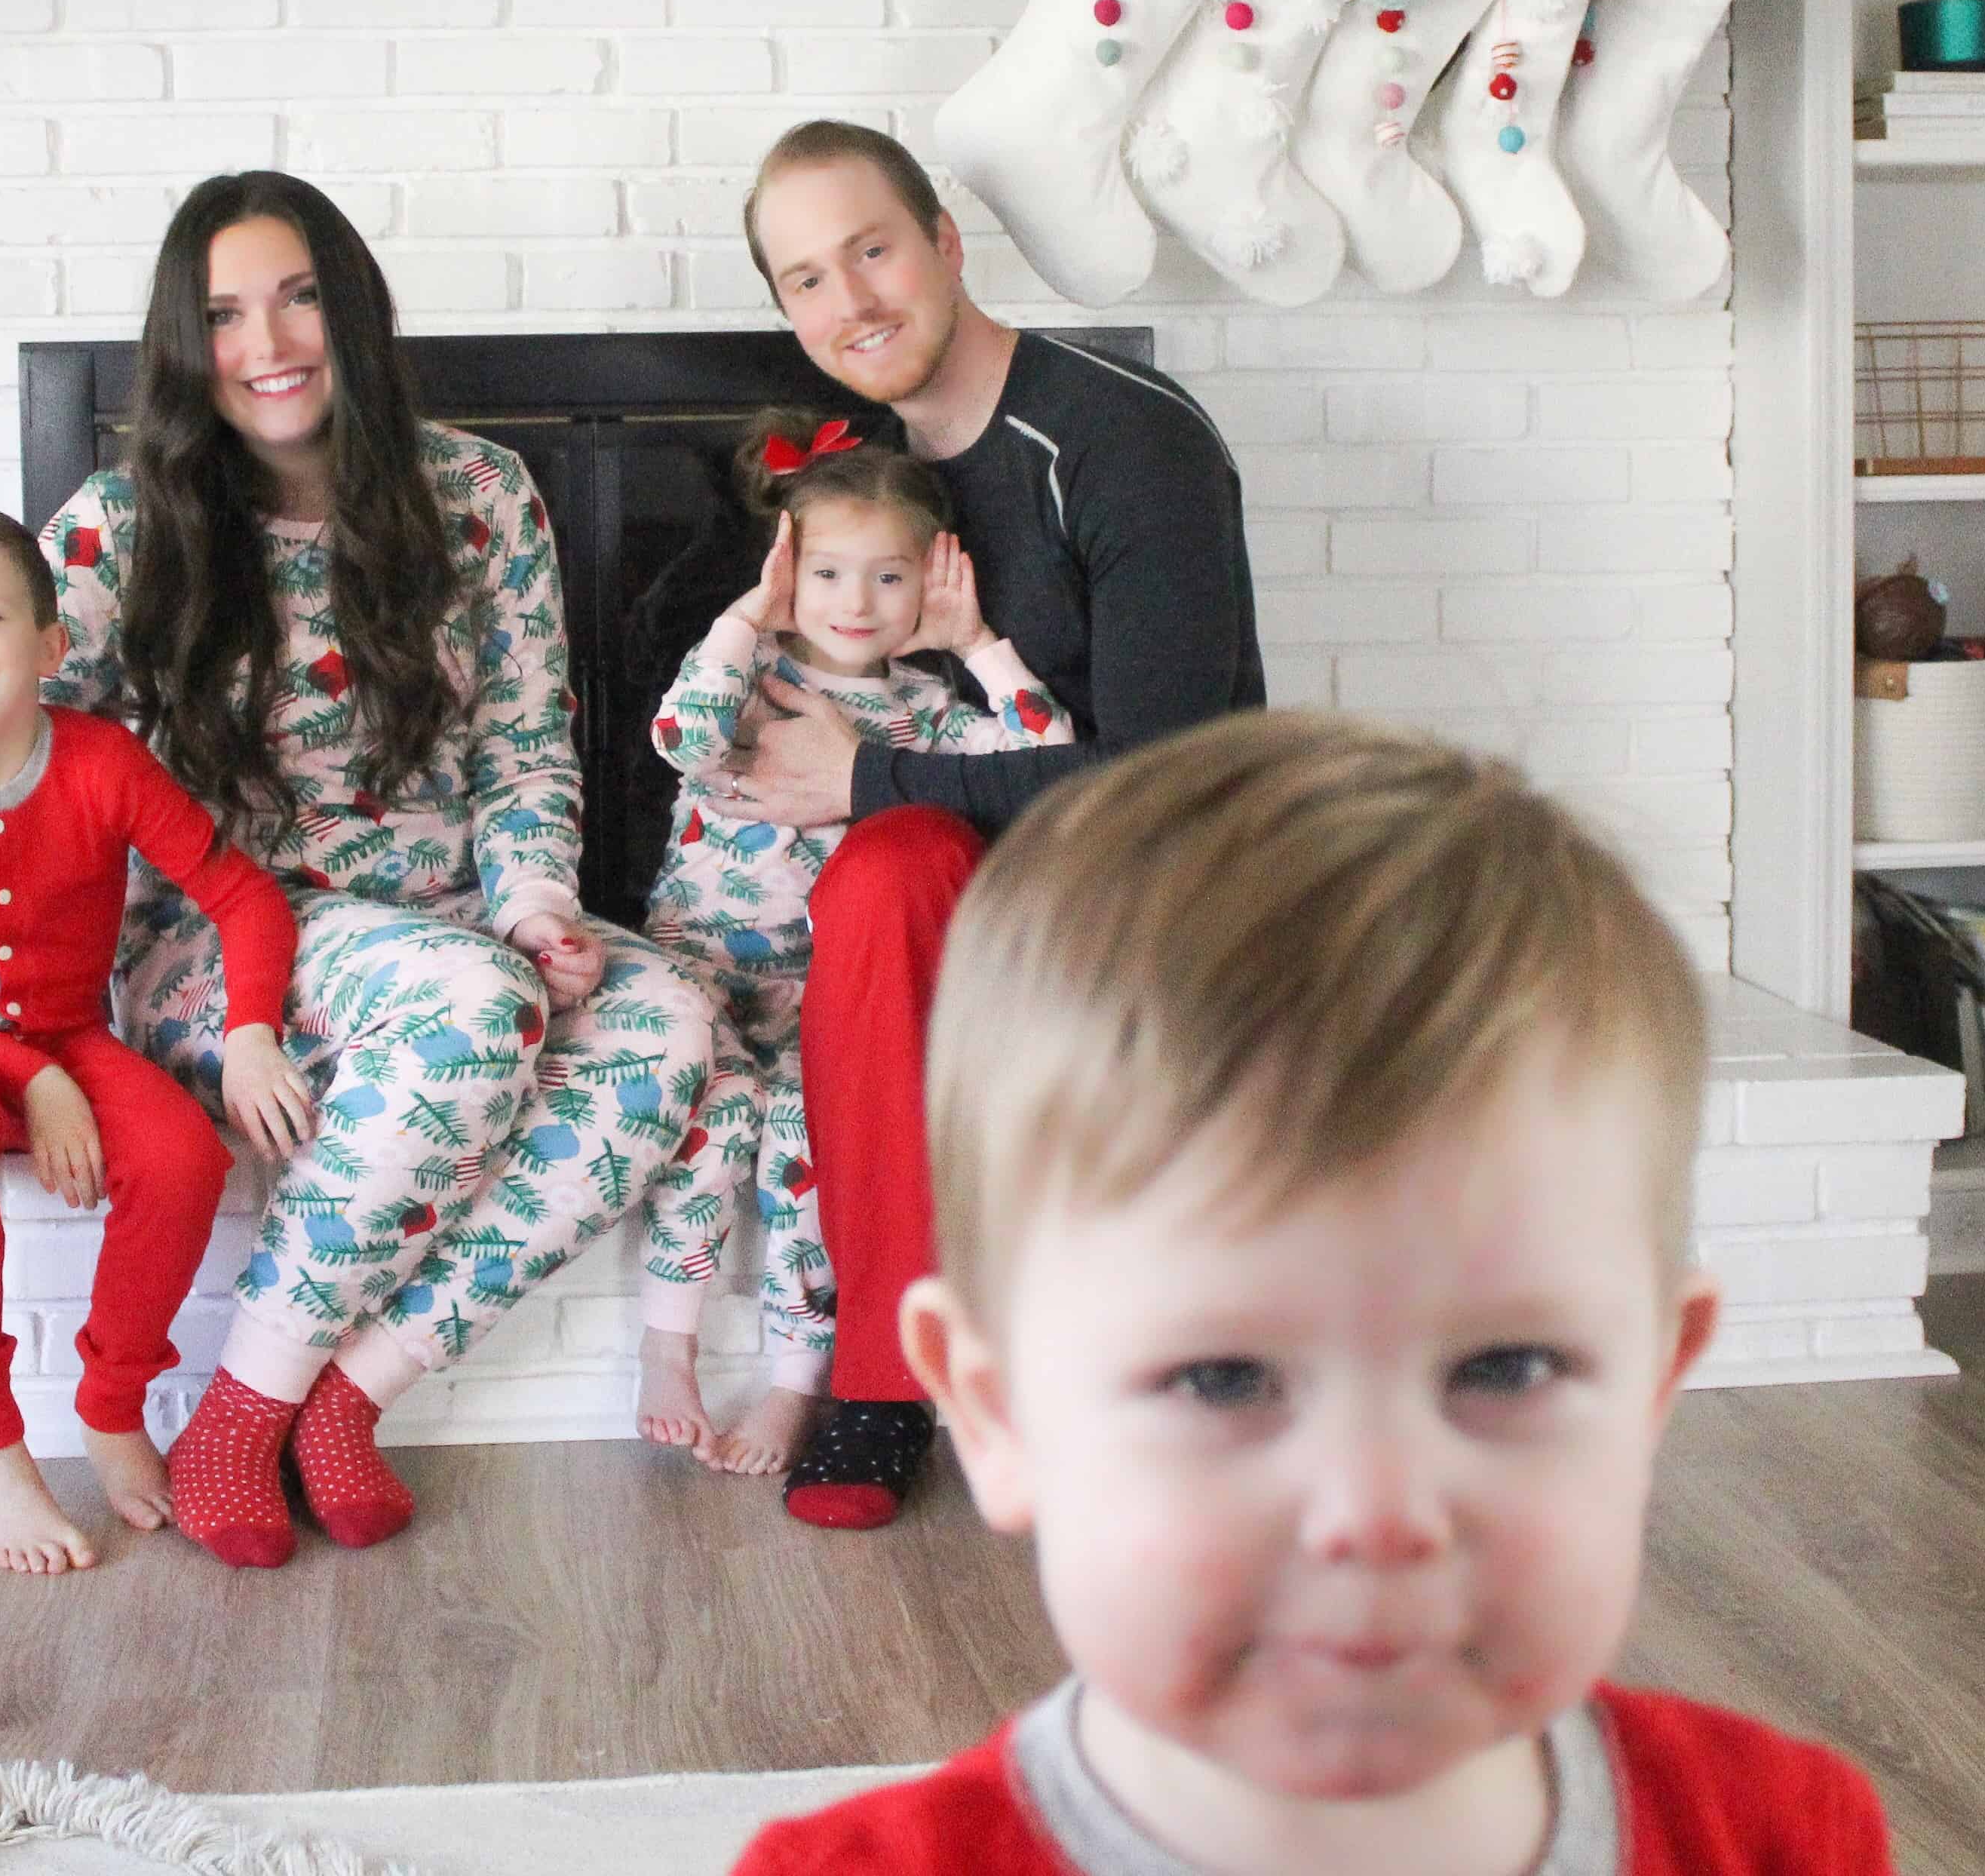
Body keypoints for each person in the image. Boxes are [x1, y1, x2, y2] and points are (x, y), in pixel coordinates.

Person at [732, 717, 1897, 1876]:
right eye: (1222, 1377)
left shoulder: (1785, 1838)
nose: (1377, 1514)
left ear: (1652, 1383)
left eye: (1507, 1367)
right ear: (995, 1414)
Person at [0, 171, 716, 1570]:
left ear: (348, 308)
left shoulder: (479, 494)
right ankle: (238, 1410)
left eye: (297, 295)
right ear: (190, 345)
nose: (269, 339)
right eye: (226, 313)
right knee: (471, 1009)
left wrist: (539, 903)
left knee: (669, 1028)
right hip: (226, 948)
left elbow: (527, 746)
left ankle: (341, 1394)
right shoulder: (125, 530)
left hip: (458, 917)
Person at [714, 118, 1264, 1529]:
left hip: (1154, 870)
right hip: (965, 858)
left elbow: (1166, 776)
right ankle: (890, 1378)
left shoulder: (1120, 442)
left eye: (873, 251)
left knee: (888, 840)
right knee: (884, 876)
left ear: (948, 246)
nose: (852, 304)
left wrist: (865, 784)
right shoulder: (875, 480)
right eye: (806, 282)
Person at [0, 504, 298, 1575]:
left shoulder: (101, 764)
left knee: (183, 1157)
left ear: (47, 649)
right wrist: (37, 1081)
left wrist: (253, 1033)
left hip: (64, 1036)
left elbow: (245, 897)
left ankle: (112, 1402)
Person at [633, 413, 1073, 1473]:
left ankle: (797, 1385)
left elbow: (1051, 759)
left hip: (820, 998)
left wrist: (975, 645)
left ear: (930, 579)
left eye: (888, 577)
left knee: (801, 1146)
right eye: (827, 573)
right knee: (710, 1116)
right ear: (788, 572)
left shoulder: (924, 715)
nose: (855, 603)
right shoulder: (755, 680)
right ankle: (668, 1346)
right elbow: (678, 738)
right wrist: (750, 614)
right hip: (701, 971)